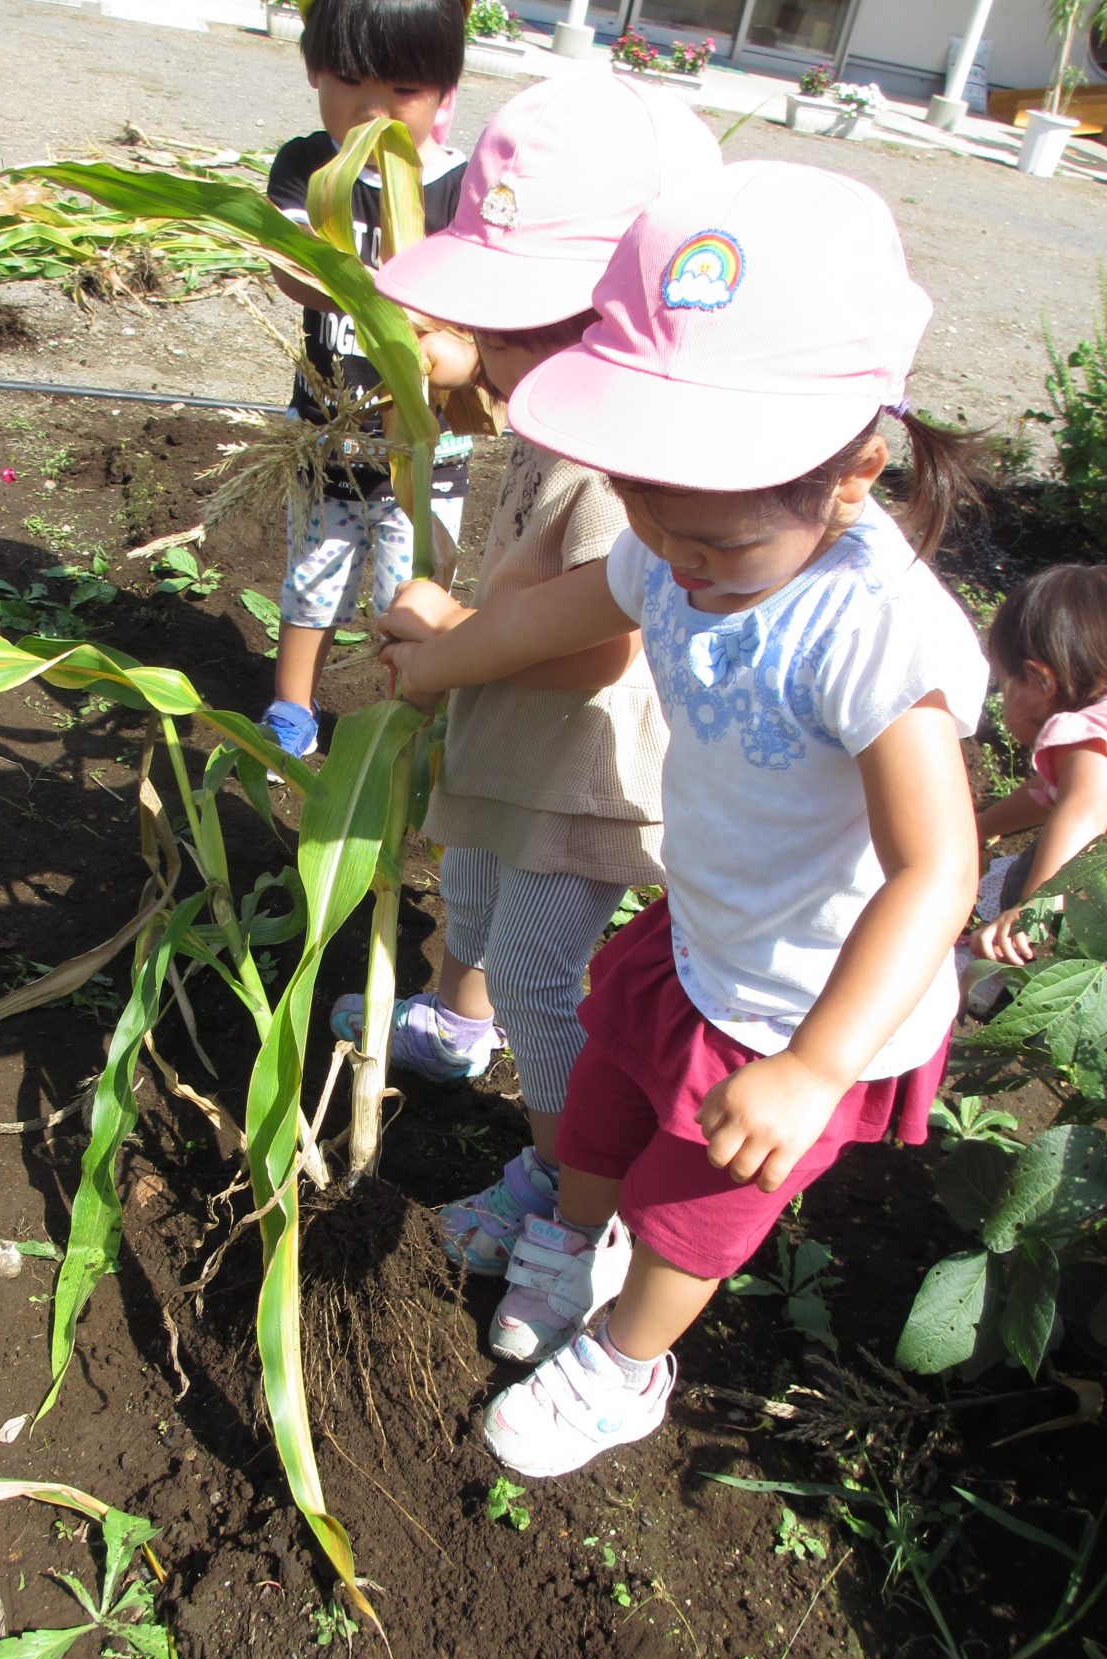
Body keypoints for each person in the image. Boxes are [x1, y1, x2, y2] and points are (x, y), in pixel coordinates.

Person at [377, 162, 988, 1477]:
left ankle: (625, 1366)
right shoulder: (681, 533)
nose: (672, 555)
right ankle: (566, 1233)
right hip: (700, 937)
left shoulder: (878, 636)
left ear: (853, 475)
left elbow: (937, 871)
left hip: (808, 1006)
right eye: (649, 510)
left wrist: (815, 1065)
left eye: (712, 542)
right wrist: (442, 659)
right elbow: (565, 612)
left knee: (687, 1217)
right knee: (601, 1110)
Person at [328, 71, 721, 1302]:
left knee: (544, 980)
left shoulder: (619, 464)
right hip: (517, 747)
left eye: (507, 327)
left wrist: (452, 630)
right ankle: (462, 1027)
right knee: (479, 905)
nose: (485, 354)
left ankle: (561, 1184)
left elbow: (600, 645)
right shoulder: (556, 413)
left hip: (581, 773)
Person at [261, 0, 472, 763]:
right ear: (313, 70)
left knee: (407, 594)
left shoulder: (463, 188)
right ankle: (291, 711)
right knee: (313, 577)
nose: (373, 110)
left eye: (404, 91)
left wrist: (449, 347)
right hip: (326, 439)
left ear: (445, 93)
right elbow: (291, 270)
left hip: (427, 450)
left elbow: (475, 323)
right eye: (350, 81)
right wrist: (375, 292)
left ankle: (402, 727)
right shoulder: (307, 166)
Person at [969, 565, 1107, 968]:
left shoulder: (1082, 732)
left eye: (1002, 684)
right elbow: (1049, 793)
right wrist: (982, 825)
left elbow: (1084, 807)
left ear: (1038, 680)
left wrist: (1034, 907)